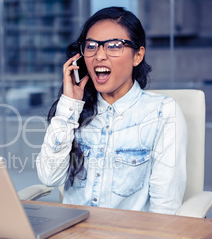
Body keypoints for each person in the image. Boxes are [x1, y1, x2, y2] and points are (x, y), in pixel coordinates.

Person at [36, 6, 187, 215]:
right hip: (73, 237)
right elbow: (49, 177)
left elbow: (165, 207)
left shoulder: (162, 112)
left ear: (138, 55)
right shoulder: (75, 111)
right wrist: (68, 104)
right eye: (91, 46)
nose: (99, 56)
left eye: (114, 46)